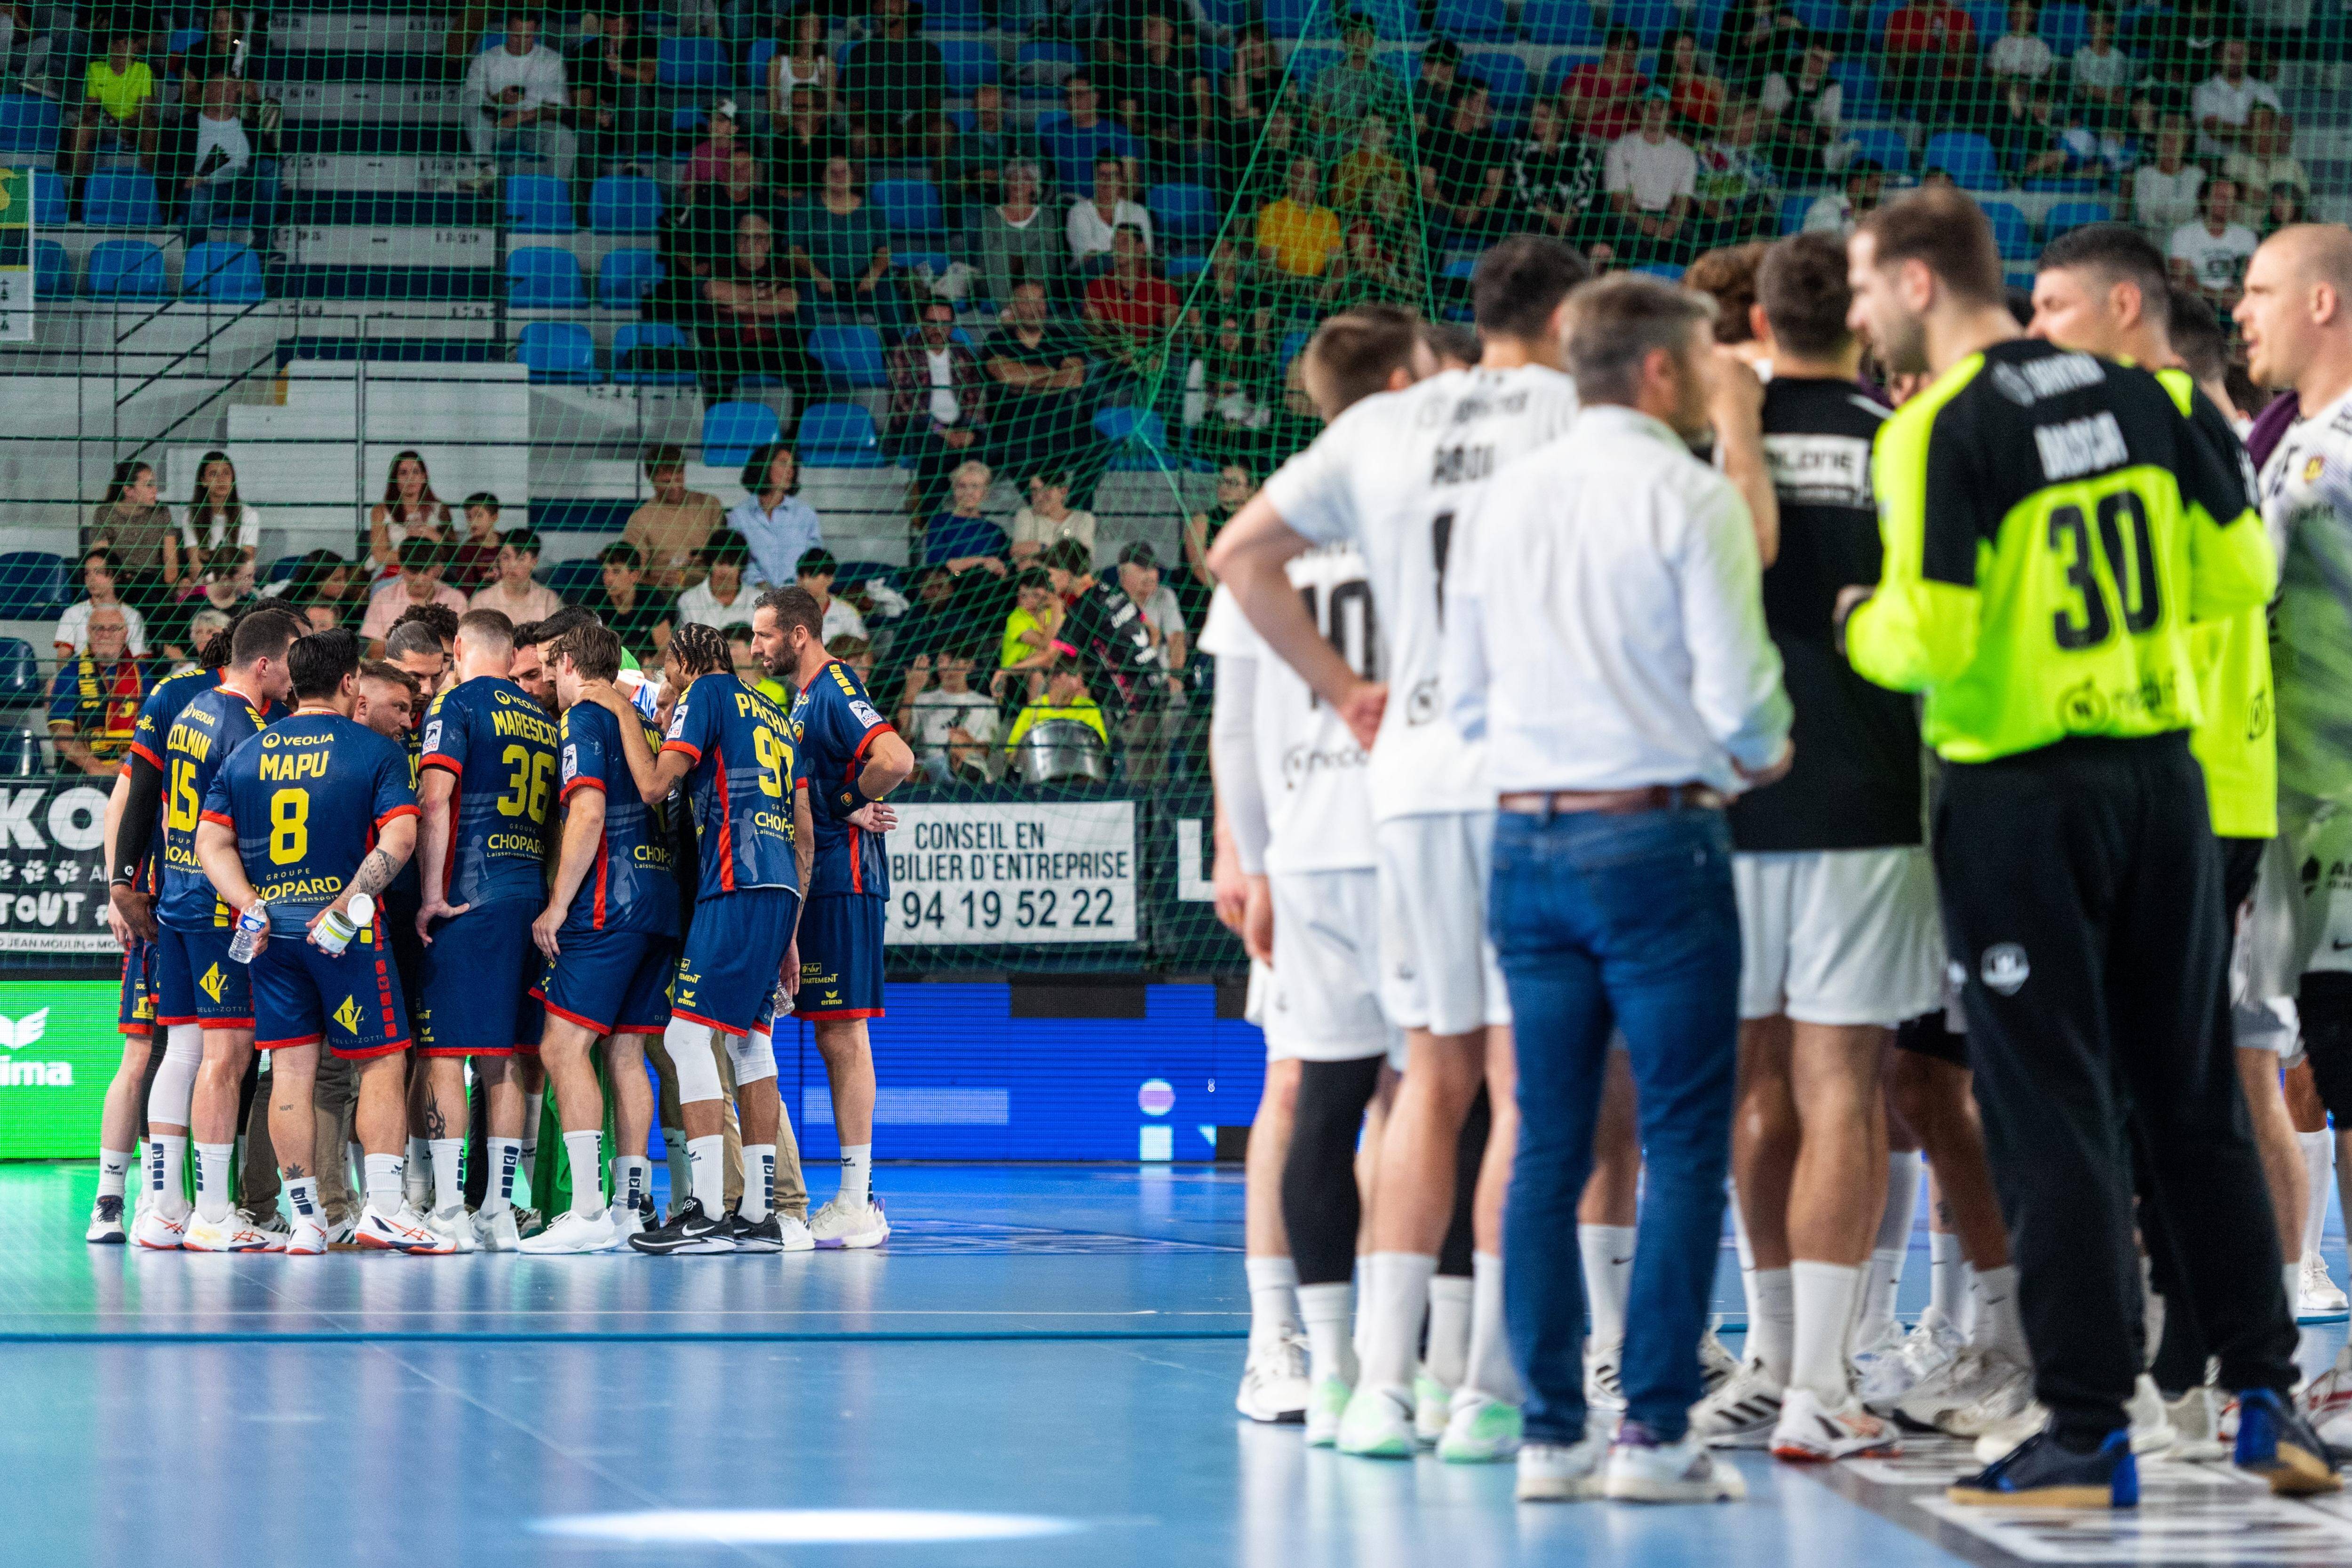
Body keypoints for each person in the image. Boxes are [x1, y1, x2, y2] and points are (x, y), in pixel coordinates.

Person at [1842, 187, 2324, 1507]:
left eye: (1866, 285)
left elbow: (1929, 640)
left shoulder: (1944, 424)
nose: (1859, 310)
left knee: (2050, 1104)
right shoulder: (2160, 403)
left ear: (1919, 282)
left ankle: (2083, 1423)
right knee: (2191, 1096)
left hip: (2022, 795)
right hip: (2166, 784)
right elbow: (2238, 580)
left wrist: (1856, 622)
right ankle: (2267, 1400)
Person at [1206, 238, 1594, 1466]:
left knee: (1427, 1079)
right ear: (1573, 315)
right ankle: (1478, 1386)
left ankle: (1375, 1389)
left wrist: (1344, 689)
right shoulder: (1579, 405)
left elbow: (1237, 560)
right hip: (1530, 771)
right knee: (1526, 1087)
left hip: (1409, 779)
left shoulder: (1386, 426)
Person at [1442, 270, 1788, 1503]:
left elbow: (1467, 698)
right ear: (1656, 370)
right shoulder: (1690, 496)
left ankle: (1549, 1434)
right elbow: (1743, 700)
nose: (1711, 378)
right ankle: (1654, 1434)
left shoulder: (1502, 502)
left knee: (1544, 1139)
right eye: (1700, 361)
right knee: (1684, 1137)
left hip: (1524, 844)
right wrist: (1763, 751)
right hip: (1655, 842)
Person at [2028, 227, 2304, 1393]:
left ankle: (2193, 1357)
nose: (2038, 337)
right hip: (2203, 782)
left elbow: (2227, 590)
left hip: (2180, 782)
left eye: (2053, 308)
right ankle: (2197, 1358)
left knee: (2175, 1088)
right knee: (2188, 1083)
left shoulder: (2163, 423)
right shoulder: (2210, 433)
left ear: (2127, 311)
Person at [1686, 234, 1934, 1461]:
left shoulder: (1703, 434)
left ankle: (1773, 1351)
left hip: (1730, 797)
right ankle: (1817, 1383)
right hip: (1872, 802)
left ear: (1760, 320)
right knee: (1846, 1083)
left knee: (1754, 1082)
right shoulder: (1905, 436)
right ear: (1867, 318)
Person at [1199, 304, 1428, 1435]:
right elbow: (1232, 719)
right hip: (1328, 834)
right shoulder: (1294, 507)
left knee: (1402, 1086)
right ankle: (1276, 1337)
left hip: (1399, 829)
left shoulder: (1413, 494)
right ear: (1398, 379)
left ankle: (1384, 1337)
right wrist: (1243, 854)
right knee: (1309, 1085)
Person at [190, 625, 439, 1253]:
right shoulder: (371, 752)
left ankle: (305, 1220)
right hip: (344, 933)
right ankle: (382, 1208)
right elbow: (401, 840)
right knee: (382, 1060)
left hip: (273, 932)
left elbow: (208, 843)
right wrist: (352, 903)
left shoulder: (246, 753)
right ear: (350, 682)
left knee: (289, 1073)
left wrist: (249, 903)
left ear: (293, 683)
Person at [572, 624, 806, 1253]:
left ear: (683, 661)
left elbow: (654, 784)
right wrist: (791, 932)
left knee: (684, 1035)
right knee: (751, 1043)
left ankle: (703, 1209)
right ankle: (757, 1216)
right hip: (780, 887)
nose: (665, 676)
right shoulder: (773, 712)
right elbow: (801, 824)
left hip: (734, 878)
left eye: (667, 666)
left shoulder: (705, 693)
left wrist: (618, 706)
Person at [2237, 225, 2352, 1441]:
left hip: (2342, 817)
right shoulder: (2295, 447)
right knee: (2323, 1068)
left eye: (2260, 288)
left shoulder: (2333, 455)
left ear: (2324, 301)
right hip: (2301, 824)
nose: (2242, 309)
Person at [518, 619, 683, 1252]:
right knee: (625, 1053)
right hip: (659, 902)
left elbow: (586, 812)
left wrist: (558, 904)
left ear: (564, 663)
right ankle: (624, 1208)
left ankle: (585, 1213)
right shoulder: (641, 722)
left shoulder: (584, 717)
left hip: (609, 902)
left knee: (562, 1048)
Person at [757, 587, 912, 1245]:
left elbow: (897, 759)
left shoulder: (833, 685)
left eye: (765, 635)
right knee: (830, 1036)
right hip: (821, 882)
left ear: (799, 634)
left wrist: (843, 798)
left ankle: (856, 1200)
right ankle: (853, 1195)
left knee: (844, 1035)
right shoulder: (800, 700)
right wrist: (834, 797)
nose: (756, 646)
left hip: (847, 880)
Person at [146, 605, 303, 1252]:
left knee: (182, 1052)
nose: (298, 674)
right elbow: (248, 834)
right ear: (264, 662)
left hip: (177, 899)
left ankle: (165, 1209)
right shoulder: (248, 728)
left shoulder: (191, 711)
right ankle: (214, 1213)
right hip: (218, 910)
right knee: (228, 1057)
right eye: (294, 658)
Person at [410, 610, 556, 1250]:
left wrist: (432, 894)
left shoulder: (456, 704)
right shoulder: (545, 722)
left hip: (471, 897)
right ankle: (499, 1208)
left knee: (445, 1053)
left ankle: (447, 1209)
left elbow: (435, 798)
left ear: (462, 648)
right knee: (504, 1061)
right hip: (530, 895)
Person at [984, 281, 1100, 501]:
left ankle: (1075, 510)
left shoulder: (1062, 337)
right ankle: (1046, 515)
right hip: (1016, 430)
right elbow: (1005, 375)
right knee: (1034, 487)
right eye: (1028, 302)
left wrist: (1026, 383)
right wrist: (1053, 374)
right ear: (1015, 308)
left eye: (1040, 301)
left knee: (1101, 446)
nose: (1037, 307)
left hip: (1062, 426)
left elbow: (1074, 378)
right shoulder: (998, 340)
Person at [700, 211, 826, 408]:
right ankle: (720, 428)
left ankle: (797, 433)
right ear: (735, 240)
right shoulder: (722, 265)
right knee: (713, 369)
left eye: (757, 237)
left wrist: (742, 304)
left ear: (768, 243)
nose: (749, 243)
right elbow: (714, 290)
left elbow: (789, 303)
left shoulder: (782, 268)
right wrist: (765, 293)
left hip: (774, 346)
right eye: (744, 237)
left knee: (812, 371)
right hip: (731, 345)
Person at [888, 296, 990, 520]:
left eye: (944, 323)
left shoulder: (962, 353)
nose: (938, 329)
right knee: (934, 450)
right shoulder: (904, 351)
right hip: (919, 427)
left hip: (960, 425)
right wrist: (943, 432)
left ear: (952, 326)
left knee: (985, 447)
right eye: (932, 322)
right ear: (921, 323)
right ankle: (930, 521)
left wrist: (970, 431)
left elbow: (977, 395)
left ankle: (969, 518)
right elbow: (907, 404)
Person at [461, 9, 575, 186]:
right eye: (516, 36)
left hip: (535, 125)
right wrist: (499, 100)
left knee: (564, 137)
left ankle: (556, 190)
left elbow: (559, 108)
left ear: (536, 31)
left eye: (527, 36)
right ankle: (486, 169)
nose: (521, 42)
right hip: (496, 125)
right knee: (472, 104)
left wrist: (521, 117)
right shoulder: (485, 59)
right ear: (508, 29)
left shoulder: (552, 60)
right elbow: (472, 99)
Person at [785, 156, 893, 318]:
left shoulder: (872, 208)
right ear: (823, 176)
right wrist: (818, 277)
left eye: (844, 171)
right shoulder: (805, 205)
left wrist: (874, 273)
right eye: (832, 172)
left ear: (853, 176)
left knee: (893, 309)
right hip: (818, 278)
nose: (839, 176)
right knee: (805, 311)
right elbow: (794, 249)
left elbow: (884, 250)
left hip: (864, 278)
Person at [47, 605, 148, 776]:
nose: (106, 634)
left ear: (126, 633)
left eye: (114, 629)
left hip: (132, 770)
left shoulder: (142, 674)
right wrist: (95, 767)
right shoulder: (71, 671)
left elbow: (152, 728)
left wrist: (126, 763)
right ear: (88, 632)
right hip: (84, 774)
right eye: (98, 628)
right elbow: (62, 732)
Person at [64, 28, 157, 209]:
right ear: (111, 46)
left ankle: (148, 185)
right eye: (122, 42)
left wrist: (125, 125)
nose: (127, 47)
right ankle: (79, 185)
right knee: (80, 127)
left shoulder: (143, 70)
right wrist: (96, 117)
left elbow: (145, 110)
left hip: (132, 125)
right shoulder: (96, 68)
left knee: (151, 127)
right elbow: (89, 107)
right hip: (107, 124)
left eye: (130, 43)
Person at [1605, 89, 1699, 264]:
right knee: (1624, 233)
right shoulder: (1619, 148)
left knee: (1690, 238)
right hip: (1632, 214)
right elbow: (1618, 200)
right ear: (1641, 111)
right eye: (1650, 108)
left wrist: (1672, 224)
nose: (1655, 114)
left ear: (1670, 114)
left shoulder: (1685, 154)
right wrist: (1643, 221)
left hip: (1668, 214)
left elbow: (1684, 200)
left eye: (1661, 109)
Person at [626, 444, 725, 592]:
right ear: (650, 477)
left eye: (679, 478)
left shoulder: (709, 505)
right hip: (667, 593)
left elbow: (726, 553)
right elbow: (631, 574)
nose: (675, 486)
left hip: (711, 588)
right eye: (666, 482)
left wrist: (706, 558)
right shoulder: (640, 520)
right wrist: (657, 580)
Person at [728, 443, 824, 589]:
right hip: (754, 595)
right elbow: (740, 561)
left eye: (793, 466)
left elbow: (814, 559)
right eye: (783, 464)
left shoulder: (805, 514)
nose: (790, 472)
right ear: (764, 467)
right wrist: (761, 584)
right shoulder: (739, 516)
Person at [900, 641, 999, 781]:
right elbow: (905, 735)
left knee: (958, 743)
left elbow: (987, 751)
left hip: (969, 761)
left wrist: (968, 742)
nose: (945, 667)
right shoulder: (924, 699)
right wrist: (912, 690)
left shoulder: (986, 704)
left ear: (969, 665)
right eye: (941, 661)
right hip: (932, 765)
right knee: (911, 771)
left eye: (953, 661)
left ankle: (966, 776)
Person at [1039, 70, 1141, 199]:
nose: (1072, 101)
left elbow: (1131, 184)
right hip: (1063, 207)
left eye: (1079, 95)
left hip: (1106, 208)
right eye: (1068, 95)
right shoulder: (1051, 133)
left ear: (1095, 98)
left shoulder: (1118, 134)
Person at [361, 537, 469, 657]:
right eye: (413, 572)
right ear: (402, 568)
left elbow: (463, 648)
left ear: (436, 569)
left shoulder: (455, 599)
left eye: (425, 572)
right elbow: (375, 652)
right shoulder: (383, 598)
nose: (419, 580)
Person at [86, 460, 174, 605]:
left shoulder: (162, 512)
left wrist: (171, 592)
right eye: (148, 485)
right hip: (119, 580)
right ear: (128, 491)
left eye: (154, 485)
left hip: (151, 581)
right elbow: (101, 557)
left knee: (148, 587)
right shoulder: (105, 513)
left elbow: (171, 562)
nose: (155, 490)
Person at [978, 159, 1061, 310]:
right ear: (1007, 183)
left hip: (1038, 282)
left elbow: (1050, 258)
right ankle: (1007, 312)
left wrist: (1015, 260)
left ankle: (1031, 306)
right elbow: (984, 262)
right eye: (1014, 178)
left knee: (1041, 250)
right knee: (997, 251)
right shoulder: (990, 217)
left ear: (1034, 186)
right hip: (996, 282)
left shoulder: (1047, 216)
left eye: (1026, 179)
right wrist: (1018, 260)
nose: (1019, 183)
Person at [1082, 224, 1179, 350]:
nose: (1118, 249)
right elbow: (1095, 337)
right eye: (1115, 244)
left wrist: (1153, 355)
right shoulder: (1097, 286)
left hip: (1150, 355)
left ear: (1141, 248)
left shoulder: (1161, 288)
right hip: (1110, 354)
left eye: (1125, 243)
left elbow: (1172, 338)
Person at [173, 451, 257, 589]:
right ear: (203, 481)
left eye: (226, 473)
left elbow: (245, 566)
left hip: (237, 586)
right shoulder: (191, 516)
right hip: (206, 585)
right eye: (214, 474)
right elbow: (196, 568)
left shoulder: (249, 515)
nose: (221, 480)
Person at [582, 542, 675, 663]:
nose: (608, 579)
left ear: (634, 576)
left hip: (649, 670)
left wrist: (649, 665)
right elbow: (597, 649)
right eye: (606, 571)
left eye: (616, 572)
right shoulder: (595, 598)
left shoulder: (652, 598)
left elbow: (666, 651)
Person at [2171, 175, 2257, 306]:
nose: (2226, 203)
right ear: (2205, 199)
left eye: (2231, 198)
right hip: (2197, 304)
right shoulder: (2183, 234)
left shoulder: (2246, 236)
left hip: (2236, 303)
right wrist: (2218, 296)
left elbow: (2252, 276)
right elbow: (2183, 280)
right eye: (2220, 197)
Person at [2193, 34, 2281, 159]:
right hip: (2216, 163)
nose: (2237, 59)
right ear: (2218, 57)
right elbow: (2214, 128)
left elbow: (2279, 125)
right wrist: (2258, 132)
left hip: (2256, 161)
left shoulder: (2264, 89)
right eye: (2230, 54)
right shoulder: (2203, 90)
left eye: (2242, 54)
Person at [1257, 155, 1342, 284]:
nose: (1309, 181)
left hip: (1318, 283)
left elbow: (1337, 261)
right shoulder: (1273, 212)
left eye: (1313, 175)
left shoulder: (1329, 217)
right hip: (1285, 283)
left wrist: (1329, 289)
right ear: (1289, 179)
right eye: (1302, 175)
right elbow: (1268, 262)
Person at [368, 450, 452, 579]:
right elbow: (380, 555)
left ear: (424, 477)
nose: (410, 478)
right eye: (403, 473)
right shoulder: (380, 511)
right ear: (395, 479)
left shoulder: (440, 509)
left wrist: (434, 536)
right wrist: (422, 559)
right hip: (392, 574)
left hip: (430, 575)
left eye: (415, 472)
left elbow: (450, 552)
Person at [56, 548, 149, 662]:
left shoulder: (133, 616)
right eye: (87, 573)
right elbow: (62, 660)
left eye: (98, 572)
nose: (91, 579)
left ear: (116, 576)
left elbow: (139, 662)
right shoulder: (73, 613)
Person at [1066, 153, 1153, 275]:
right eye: (1102, 175)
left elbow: (1146, 252)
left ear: (1121, 180)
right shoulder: (1078, 212)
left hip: (1132, 276)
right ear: (1094, 179)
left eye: (1113, 175)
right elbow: (1089, 258)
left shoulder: (1138, 211)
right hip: (1092, 278)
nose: (1107, 181)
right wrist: (1127, 255)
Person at [923, 461, 1010, 575]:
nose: (968, 492)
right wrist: (981, 561)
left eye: (975, 486)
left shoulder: (995, 531)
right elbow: (938, 566)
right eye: (962, 486)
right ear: (954, 490)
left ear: (985, 492)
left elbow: (1006, 572)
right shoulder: (940, 523)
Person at [2130, 114, 2204, 240]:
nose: (2170, 146)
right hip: (2155, 238)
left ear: (2185, 145)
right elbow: (2144, 215)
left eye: (2176, 140)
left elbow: (2200, 215)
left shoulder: (2198, 175)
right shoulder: (2144, 174)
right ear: (2157, 143)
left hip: (2189, 241)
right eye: (2165, 139)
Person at [467, 527, 562, 625]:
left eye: (521, 558)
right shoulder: (482, 602)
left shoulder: (548, 599)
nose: (512, 565)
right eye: (506, 558)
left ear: (534, 562)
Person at [675, 530, 759, 632]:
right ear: (710, 564)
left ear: (741, 567)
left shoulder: (759, 602)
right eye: (720, 563)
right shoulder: (688, 602)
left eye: (732, 564)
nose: (725, 571)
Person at [1010, 471, 1097, 561]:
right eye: (1034, 490)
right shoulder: (1026, 515)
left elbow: (1084, 559)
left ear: (1064, 491)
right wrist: (1062, 553)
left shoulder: (1083, 518)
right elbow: (1018, 554)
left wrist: (1042, 547)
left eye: (1046, 490)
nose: (1039, 497)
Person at [795, 549, 868, 644]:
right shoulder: (786, 611)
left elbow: (864, 648)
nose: (804, 582)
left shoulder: (846, 612)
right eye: (801, 576)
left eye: (812, 576)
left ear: (830, 579)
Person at [450, 493, 504, 589]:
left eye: (479, 516)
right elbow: (467, 588)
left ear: (494, 518)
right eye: (469, 517)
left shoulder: (508, 543)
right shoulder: (468, 549)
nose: (473, 522)